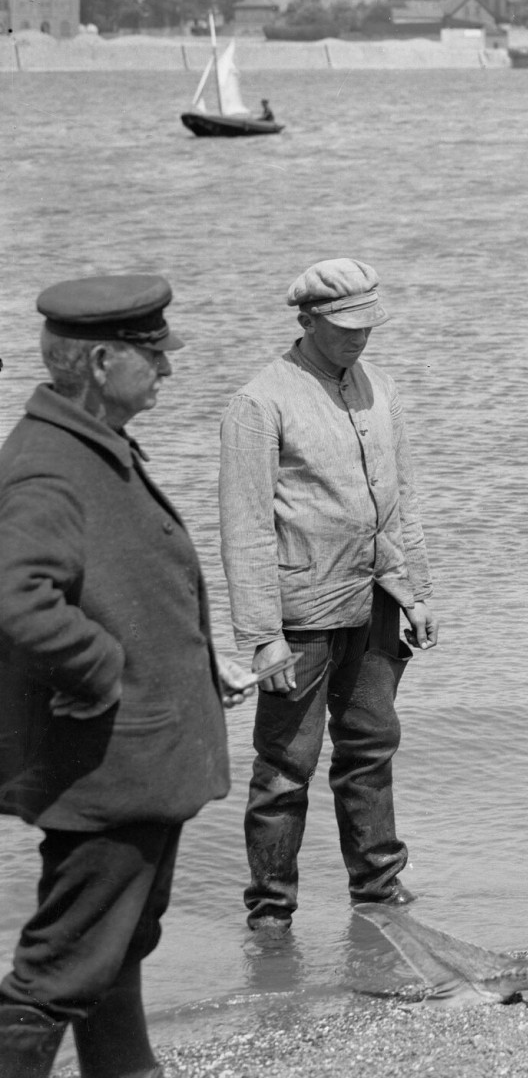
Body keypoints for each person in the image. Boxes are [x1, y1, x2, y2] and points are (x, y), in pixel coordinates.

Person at [0, 275, 254, 1077]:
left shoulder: (88, 443)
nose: (168, 368)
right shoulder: (49, 466)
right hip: (106, 765)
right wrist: (100, 670)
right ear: (103, 361)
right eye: (154, 354)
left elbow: (121, 587)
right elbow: (15, 599)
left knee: (118, 940)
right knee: (60, 969)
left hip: (136, 758)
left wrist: (196, 663)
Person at [220, 258, 439, 936]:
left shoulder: (382, 388)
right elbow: (244, 527)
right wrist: (262, 637)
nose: (358, 339)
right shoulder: (260, 402)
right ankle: (271, 913)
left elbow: (401, 501)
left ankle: (378, 890)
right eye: (345, 328)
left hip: (376, 601)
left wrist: (417, 591)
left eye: (368, 326)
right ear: (307, 320)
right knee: (285, 767)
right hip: (300, 613)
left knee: (371, 746)